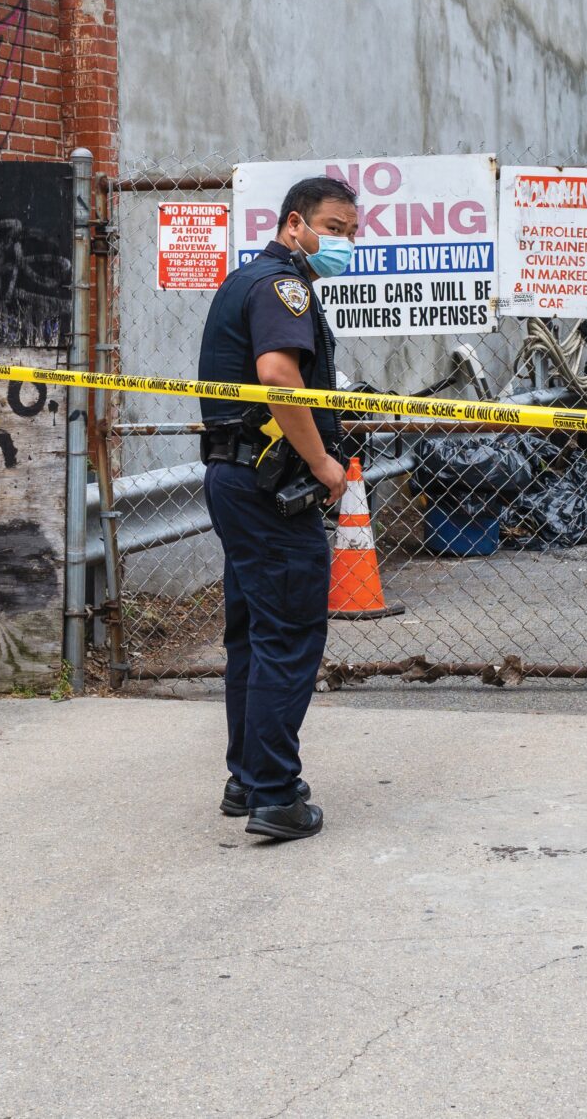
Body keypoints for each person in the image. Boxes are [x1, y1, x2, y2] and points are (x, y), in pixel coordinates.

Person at [197, 175, 360, 842]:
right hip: (270, 490)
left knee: (253, 635)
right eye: (333, 227)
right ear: (295, 225)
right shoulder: (280, 286)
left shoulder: (247, 281)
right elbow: (276, 375)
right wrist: (324, 463)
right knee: (289, 634)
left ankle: (248, 778)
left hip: (238, 481)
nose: (343, 241)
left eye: (352, 230)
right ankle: (273, 795)